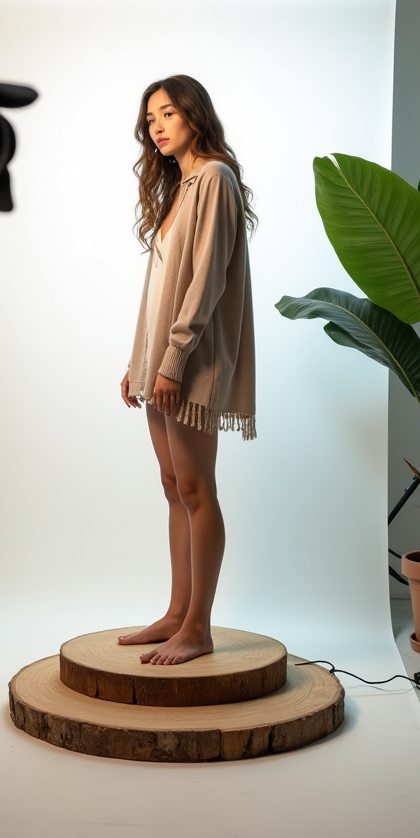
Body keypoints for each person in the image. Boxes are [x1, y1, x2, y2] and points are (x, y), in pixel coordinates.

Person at [119, 74, 256, 666]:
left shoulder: (215, 179)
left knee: (198, 489)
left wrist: (172, 360)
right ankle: (176, 613)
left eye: (168, 112)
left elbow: (206, 282)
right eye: (150, 118)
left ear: (194, 114)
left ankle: (198, 627)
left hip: (191, 363)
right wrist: (139, 364)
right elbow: (157, 290)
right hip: (161, 366)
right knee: (173, 487)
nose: (157, 125)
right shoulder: (180, 188)